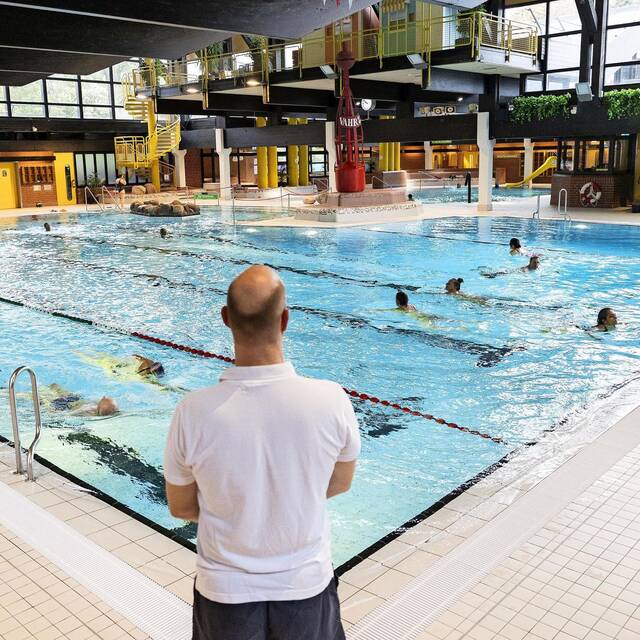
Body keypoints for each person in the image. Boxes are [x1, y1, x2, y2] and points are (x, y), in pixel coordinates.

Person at [164, 265, 360, 640]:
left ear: (226, 319)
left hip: (225, 592)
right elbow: (340, 483)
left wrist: (239, 512)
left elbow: (181, 506)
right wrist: (288, 502)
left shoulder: (193, 411)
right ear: (285, 319)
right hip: (305, 584)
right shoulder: (331, 400)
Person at [44, 384, 119, 417]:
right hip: (76, 400)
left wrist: (55, 413)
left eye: (103, 399)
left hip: (65, 406)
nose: (103, 396)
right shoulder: (104, 407)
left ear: (99, 407)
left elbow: (68, 414)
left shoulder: (87, 410)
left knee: (45, 396)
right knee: (54, 386)